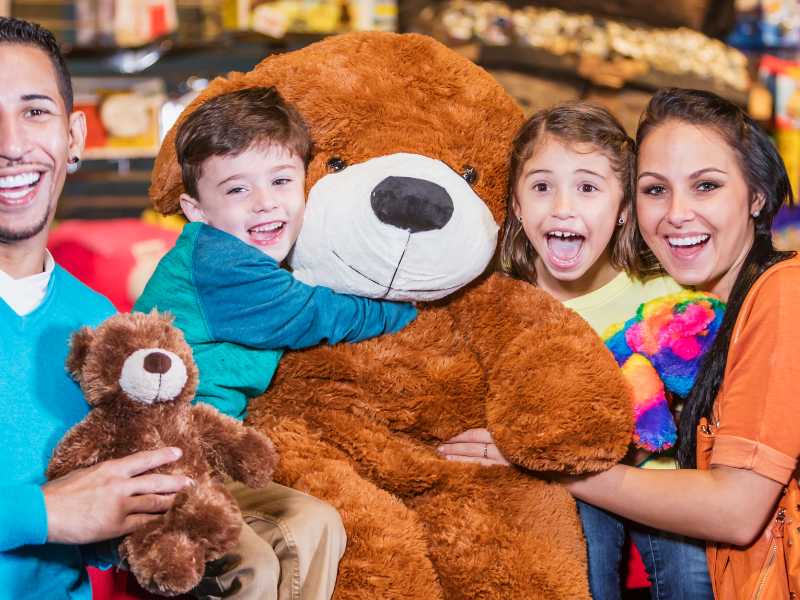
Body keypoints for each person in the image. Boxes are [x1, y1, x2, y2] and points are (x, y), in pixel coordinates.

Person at [441, 88, 800, 599]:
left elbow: (736, 510)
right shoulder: (711, 302)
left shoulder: (781, 294)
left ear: (757, 196)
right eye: (656, 189)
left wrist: (546, 461)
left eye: (707, 186)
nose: (677, 213)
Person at [134, 86, 418, 599]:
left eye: (282, 180)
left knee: (319, 522)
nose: (266, 203)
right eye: (237, 190)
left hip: (210, 456)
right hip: (160, 461)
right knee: (254, 564)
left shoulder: (253, 254)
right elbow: (313, 313)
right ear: (196, 210)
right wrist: (406, 311)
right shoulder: (221, 262)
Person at [0, 17, 193, 599]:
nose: (10, 145)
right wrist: (42, 513)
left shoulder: (100, 327)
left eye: (35, 112)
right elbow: (61, 511)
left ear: (74, 137)